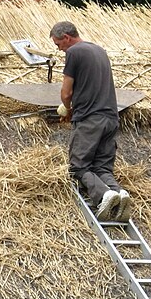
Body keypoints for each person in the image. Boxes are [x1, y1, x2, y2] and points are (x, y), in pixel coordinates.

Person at [50, 21, 130, 221]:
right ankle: (119, 194)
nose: (59, 50)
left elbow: (66, 92)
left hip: (89, 119)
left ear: (67, 38)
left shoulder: (74, 52)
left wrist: (67, 109)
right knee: (102, 167)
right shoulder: (100, 51)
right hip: (111, 118)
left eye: (58, 45)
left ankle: (103, 195)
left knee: (79, 166)